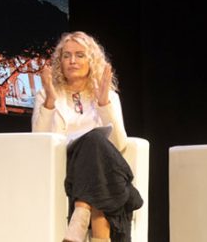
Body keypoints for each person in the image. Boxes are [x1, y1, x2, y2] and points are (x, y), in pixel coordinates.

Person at [33, 32, 143, 242]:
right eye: (66, 56)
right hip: (65, 166)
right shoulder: (47, 94)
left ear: (91, 60)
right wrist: (49, 102)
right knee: (94, 143)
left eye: (80, 55)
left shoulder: (107, 95)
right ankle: (100, 235)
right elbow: (38, 144)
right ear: (60, 61)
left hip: (97, 169)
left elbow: (119, 145)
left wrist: (104, 105)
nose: (72, 61)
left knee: (94, 144)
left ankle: (81, 214)